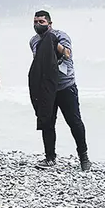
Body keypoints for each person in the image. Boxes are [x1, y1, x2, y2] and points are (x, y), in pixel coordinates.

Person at [28, 10, 91, 171]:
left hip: (65, 86)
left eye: (41, 22)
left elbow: (68, 54)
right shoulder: (34, 41)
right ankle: (50, 157)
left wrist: (52, 42)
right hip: (46, 88)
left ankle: (84, 157)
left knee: (74, 121)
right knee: (47, 121)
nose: (38, 25)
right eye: (35, 22)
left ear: (50, 23)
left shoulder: (60, 36)